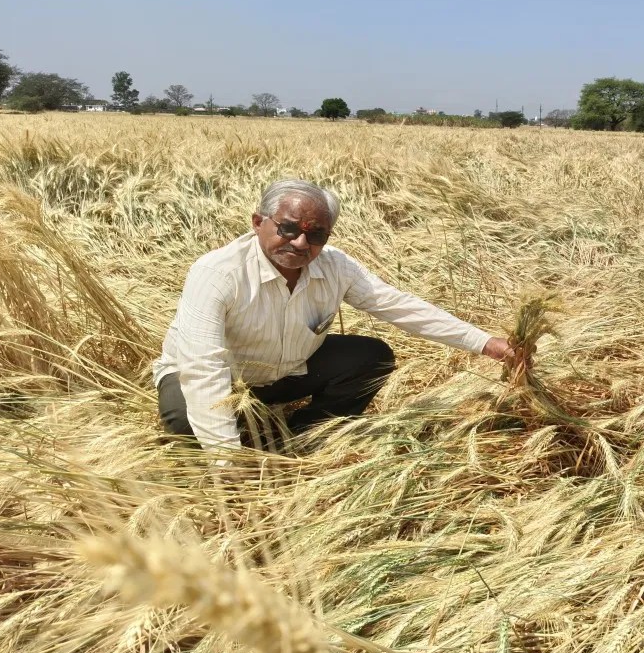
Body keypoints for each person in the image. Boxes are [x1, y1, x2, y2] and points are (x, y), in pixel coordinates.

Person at [154, 179, 515, 453]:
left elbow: (400, 306)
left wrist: (485, 343)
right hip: (223, 377)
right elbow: (204, 368)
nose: (300, 243)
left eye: (316, 235)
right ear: (258, 222)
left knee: (372, 358)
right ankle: (233, 435)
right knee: (187, 424)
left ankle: (304, 436)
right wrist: (228, 461)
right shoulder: (218, 273)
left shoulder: (335, 267)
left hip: (286, 370)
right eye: (288, 228)